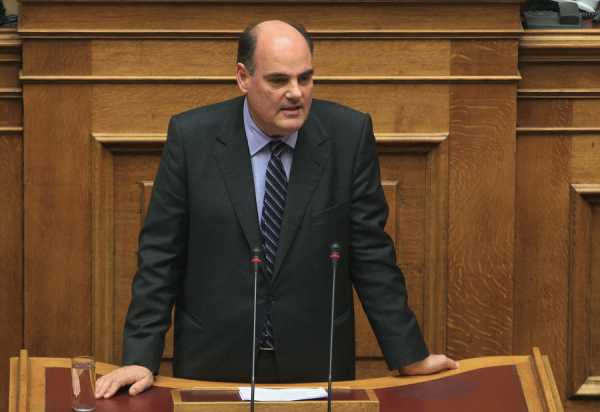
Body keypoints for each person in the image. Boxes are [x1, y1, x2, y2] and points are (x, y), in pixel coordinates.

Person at [95, 19, 457, 399]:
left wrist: (409, 355)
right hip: (213, 365)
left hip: (316, 365)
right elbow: (160, 257)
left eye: (305, 78)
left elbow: (372, 256)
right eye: (279, 80)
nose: (296, 93)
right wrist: (140, 357)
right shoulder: (192, 139)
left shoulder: (348, 136)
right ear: (243, 77)